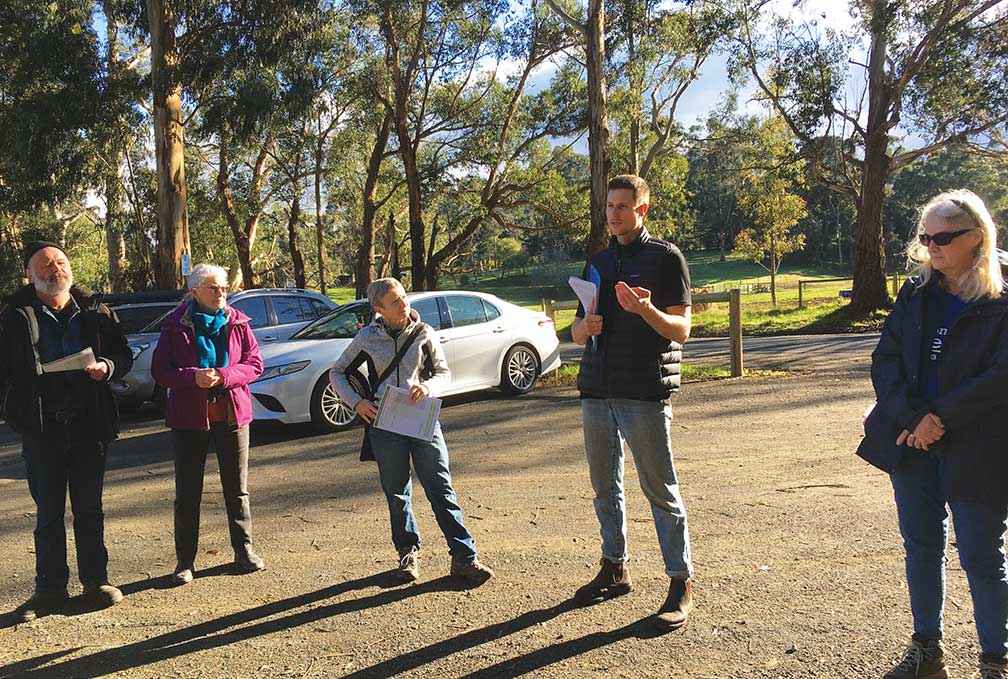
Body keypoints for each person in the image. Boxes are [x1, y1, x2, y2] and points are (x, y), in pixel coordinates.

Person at [867, 190, 1008, 679]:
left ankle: (995, 659)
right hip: (913, 442)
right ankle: (927, 649)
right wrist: (912, 419)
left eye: (944, 238)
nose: (933, 247)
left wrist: (939, 417)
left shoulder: (1001, 293)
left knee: (980, 554)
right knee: (921, 547)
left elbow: (1001, 374)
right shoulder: (915, 290)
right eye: (926, 238)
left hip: (978, 444)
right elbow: (885, 359)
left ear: (978, 238)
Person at [571, 175, 695, 630]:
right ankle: (614, 566)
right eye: (609, 206)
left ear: (642, 210)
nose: (614, 214)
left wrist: (645, 310)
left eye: (623, 206)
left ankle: (680, 582)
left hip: (643, 390)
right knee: (605, 487)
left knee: (660, 490)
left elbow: (681, 330)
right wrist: (586, 327)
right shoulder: (598, 262)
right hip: (596, 389)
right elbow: (575, 331)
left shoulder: (665, 258)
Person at [329, 278, 494, 586]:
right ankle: (408, 556)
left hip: (423, 420)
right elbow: (336, 372)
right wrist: (357, 403)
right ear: (379, 308)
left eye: (404, 297)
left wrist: (428, 387)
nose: (405, 304)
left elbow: (444, 372)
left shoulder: (423, 333)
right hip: (385, 424)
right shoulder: (367, 337)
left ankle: (464, 557)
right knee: (397, 493)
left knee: (441, 489)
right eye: (396, 302)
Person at [0, 242, 132, 621]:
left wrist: (107, 366)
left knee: (90, 509)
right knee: (48, 514)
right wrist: (15, 411)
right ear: (30, 274)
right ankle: (49, 590)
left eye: (60, 262)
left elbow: (123, 355)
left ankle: (96, 582)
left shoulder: (95, 311)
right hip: (42, 430)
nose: (54, 268)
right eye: (45, 264)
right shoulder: (14, 317)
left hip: (90, 426)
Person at [151, 263, 265, 586]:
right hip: (189, 419)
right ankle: (185, 562)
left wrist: (225, 376)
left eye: (224, 288)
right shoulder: (175, 326)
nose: (221, 294)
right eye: (213, 288)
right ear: (195, 291)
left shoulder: (238, 323)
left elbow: (255, 364)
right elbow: (161, 371)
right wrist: (193, 378)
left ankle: (244, 551)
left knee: (237, 489)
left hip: (232, 415)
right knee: (187, 493)